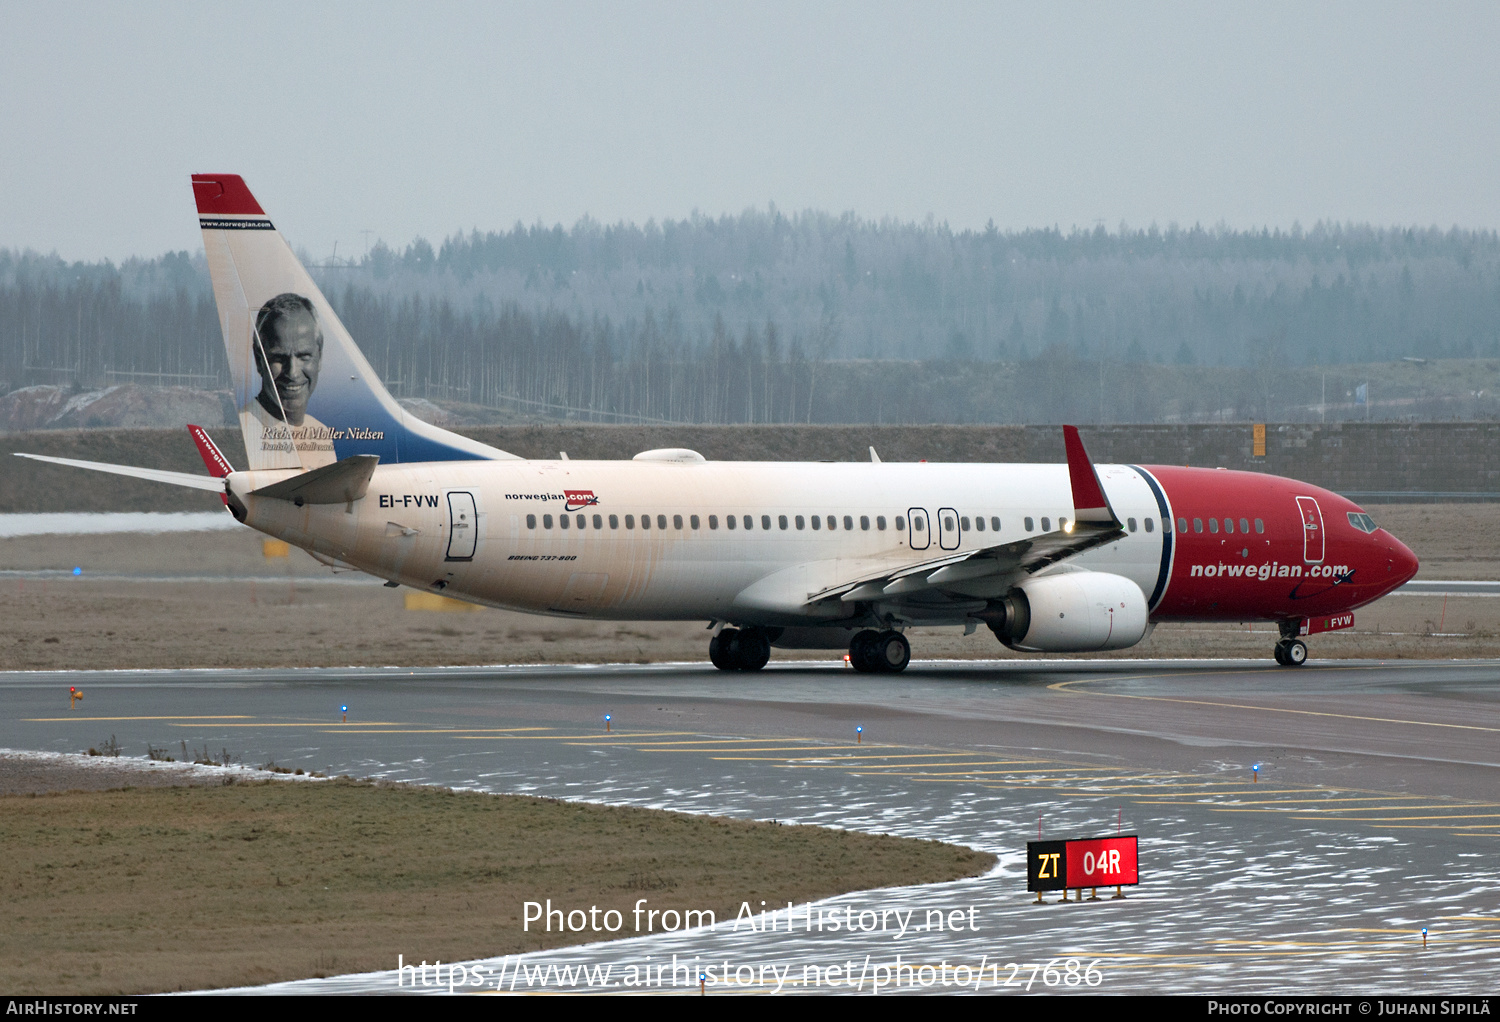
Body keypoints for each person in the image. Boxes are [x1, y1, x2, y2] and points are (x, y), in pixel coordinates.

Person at [244, 293, 336, 467]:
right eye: (279, 358)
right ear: (259, 359)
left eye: (303, 356)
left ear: (320, 357)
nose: (292, 373)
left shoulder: (320, 434)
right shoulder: (246, 432)